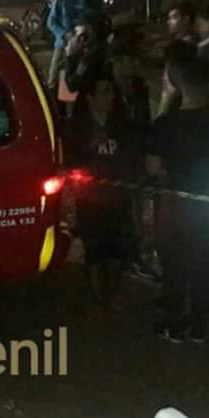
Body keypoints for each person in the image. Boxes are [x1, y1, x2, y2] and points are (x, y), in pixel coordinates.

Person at [147, 56, 209, 342]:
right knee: (205, 262)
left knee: (173, 263)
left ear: (180, 84)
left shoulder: (166, 123)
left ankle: (174, 320)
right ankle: (199, 323)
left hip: (175, 202)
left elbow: (152, 166)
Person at [68, 72, 142, 306]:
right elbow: (69, 162)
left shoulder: (122, 126)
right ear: (90, 98)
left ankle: (112, 292)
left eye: (112, 91)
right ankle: (99, 296)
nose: (110, 97)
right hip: (90, 200)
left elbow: (132, 159)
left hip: (118, 198)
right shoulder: (77, 128)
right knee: (95, 250)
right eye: (104, 92)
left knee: (119, 249)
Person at [46, 0, 99, 90]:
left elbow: (99, 19)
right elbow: (51, 22)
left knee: (85, 81)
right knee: (54, 80)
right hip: (64, 44)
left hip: (86, 47)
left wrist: (89, 29)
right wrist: (64, 35)